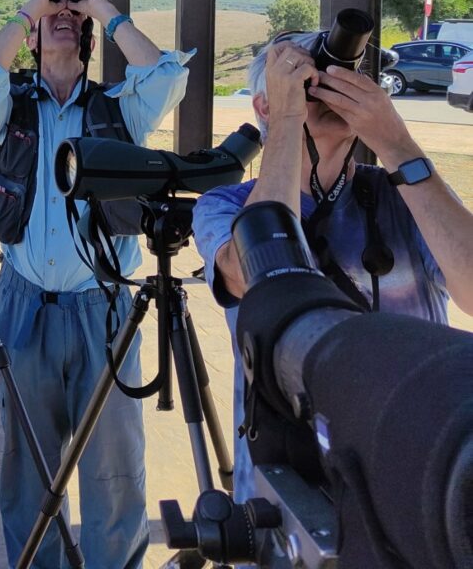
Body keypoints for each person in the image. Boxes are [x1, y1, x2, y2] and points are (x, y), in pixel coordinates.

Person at [0, 0, 191, 569]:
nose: (65, 13)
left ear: (89, 38)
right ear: (32, 37)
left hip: (102, 307)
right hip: (24, 301)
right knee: (29, 462)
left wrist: (102, 9)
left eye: (74, 14)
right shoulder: (9, 105)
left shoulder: (118, 111)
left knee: (112, 465)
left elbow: (169, 75)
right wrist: (32, 7)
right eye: (52, 12)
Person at [193, 32, 473, 510]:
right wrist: (284, 122)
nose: (326, 89)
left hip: (412, 465)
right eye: (306, 81)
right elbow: (254, 272)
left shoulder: (403, 194)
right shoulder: (227, 205)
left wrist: (397, 142)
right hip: (289, 478)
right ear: (263, 104)